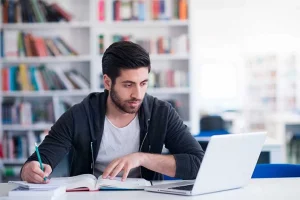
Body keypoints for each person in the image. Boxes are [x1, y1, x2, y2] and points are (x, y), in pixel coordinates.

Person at [20, 41, 204, 183]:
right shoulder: (79, 115)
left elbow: (198, 164)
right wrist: (31, 169)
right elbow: (40, 160)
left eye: (143, 83)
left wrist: (141, 159)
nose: (137, 94)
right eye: (128, 85)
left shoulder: (161, 113)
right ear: (107, 82)